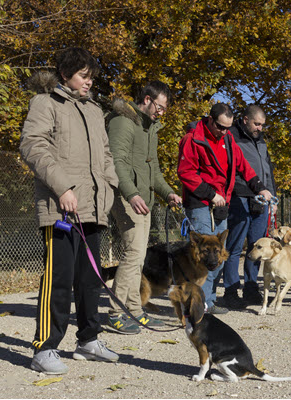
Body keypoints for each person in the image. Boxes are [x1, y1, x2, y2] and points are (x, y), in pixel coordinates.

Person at [20, 47, 120, 374]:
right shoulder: (45, 103)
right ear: (66, 75)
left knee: (90, 278)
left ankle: (88, 340)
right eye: (83, 76)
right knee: (58, 278)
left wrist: (110, 188)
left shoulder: (93, 111)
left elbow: (105, 156)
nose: (89, 83)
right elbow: (33, 146)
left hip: (93, 207)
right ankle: (44, 347)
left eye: (91, 77)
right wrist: (62, 187)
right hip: (59, 207)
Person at [177, 103, 273, 314]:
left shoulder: (228, 139)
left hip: (221, 204)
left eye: (228, 128)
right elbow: (186, 172)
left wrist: (260, 187)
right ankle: (195, 303)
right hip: (201, 203)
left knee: (217, 256)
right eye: (220, 127)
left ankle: (208, 302)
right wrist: (211, 194)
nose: (224, 131)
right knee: (201, 257)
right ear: (210, 120)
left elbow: (243, 167)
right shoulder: (193, 139)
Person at [106, 81, 182, 334]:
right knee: (133, 256)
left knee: (138, 258)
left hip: (144, 201)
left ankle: (135, 310)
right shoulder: (123, 122)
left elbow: (154, 171)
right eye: (159, 107)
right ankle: (117, 313)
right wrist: (132, 194)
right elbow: (116, 163)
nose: (162, 113)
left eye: (164, 109)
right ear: (147, 99)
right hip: (127, 198)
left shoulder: (149, 127)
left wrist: (168, 192)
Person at [221, 105, 277, 310]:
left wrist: (272, 195)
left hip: (262, 200)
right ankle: (230, 291)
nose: (260, 128)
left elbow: (268, 170)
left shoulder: (260, 140)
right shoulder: (231, 136)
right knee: (234, 247)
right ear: (245, 120)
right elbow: (228, 169)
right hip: (240, 198)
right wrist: (245, 190)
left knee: (258, 246)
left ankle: (252, 289)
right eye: (256, 124)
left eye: (262, 125)